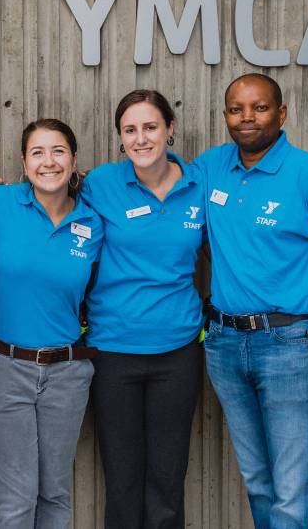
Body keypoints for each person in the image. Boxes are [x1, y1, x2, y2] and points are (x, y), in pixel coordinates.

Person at [196, 73, 308, 529]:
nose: (247, 118)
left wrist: (304, 309)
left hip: (292, 345)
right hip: (225, 345)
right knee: (258, 479)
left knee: (292, 489)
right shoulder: (210, 167)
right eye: (236, 109)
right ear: (225, 116)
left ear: (282, 113)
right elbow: (155, 182)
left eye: (259, 107)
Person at [0, 119, 103, 529]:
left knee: (55, 492)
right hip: (4, 367)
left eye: (58, 151)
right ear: (24, 163)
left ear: (74, 160)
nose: (49, 162)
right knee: (17, 497)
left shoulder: (93, 225)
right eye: (37, 153)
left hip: (68, 372)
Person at [83, 90, 205, 528]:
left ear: (170, 129)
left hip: (178, 352)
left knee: (168, 478)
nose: (141, 138)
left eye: (150, 127)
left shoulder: (199, 184)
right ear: (120, 137)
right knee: (122, 478)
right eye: (130, 130)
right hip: (113, 352)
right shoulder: (99, 183)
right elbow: (49, 192)